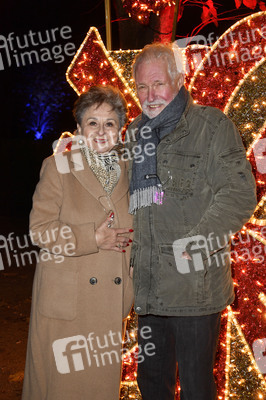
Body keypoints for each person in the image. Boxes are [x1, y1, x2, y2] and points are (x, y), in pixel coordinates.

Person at [126, 42, 257, 400]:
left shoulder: (212, 127)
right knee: (152, 384)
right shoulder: (134, 135)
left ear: (179, 80)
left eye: (157, 84)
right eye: (141, 87)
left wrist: (196, 244)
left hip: (194, 291)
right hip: (148, 292)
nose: (150, 95)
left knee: (198, 389)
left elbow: (240, 194)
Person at [22, 85, 134, 400]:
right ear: (80, 128)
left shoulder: (132, 171)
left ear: (120, 129)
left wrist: (131, 285)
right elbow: (39, 230)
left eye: (109, 123)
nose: (101, 130)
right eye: (92, 122)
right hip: (67, 306)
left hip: (108, 304)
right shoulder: (58, 166)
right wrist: (92, 237)